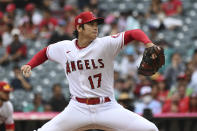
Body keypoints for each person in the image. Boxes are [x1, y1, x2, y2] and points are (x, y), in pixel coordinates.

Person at [21, 11, 159, 131]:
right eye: (91, 24)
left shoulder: (105, 44)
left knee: (150, 129)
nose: (95, 28)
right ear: (79, 28)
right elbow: (46, 52)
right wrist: (30, 64)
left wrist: (148, 43)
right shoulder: (65, 48)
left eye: (96, 24)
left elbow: (134, 33)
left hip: (107, 107)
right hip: (77, 108)